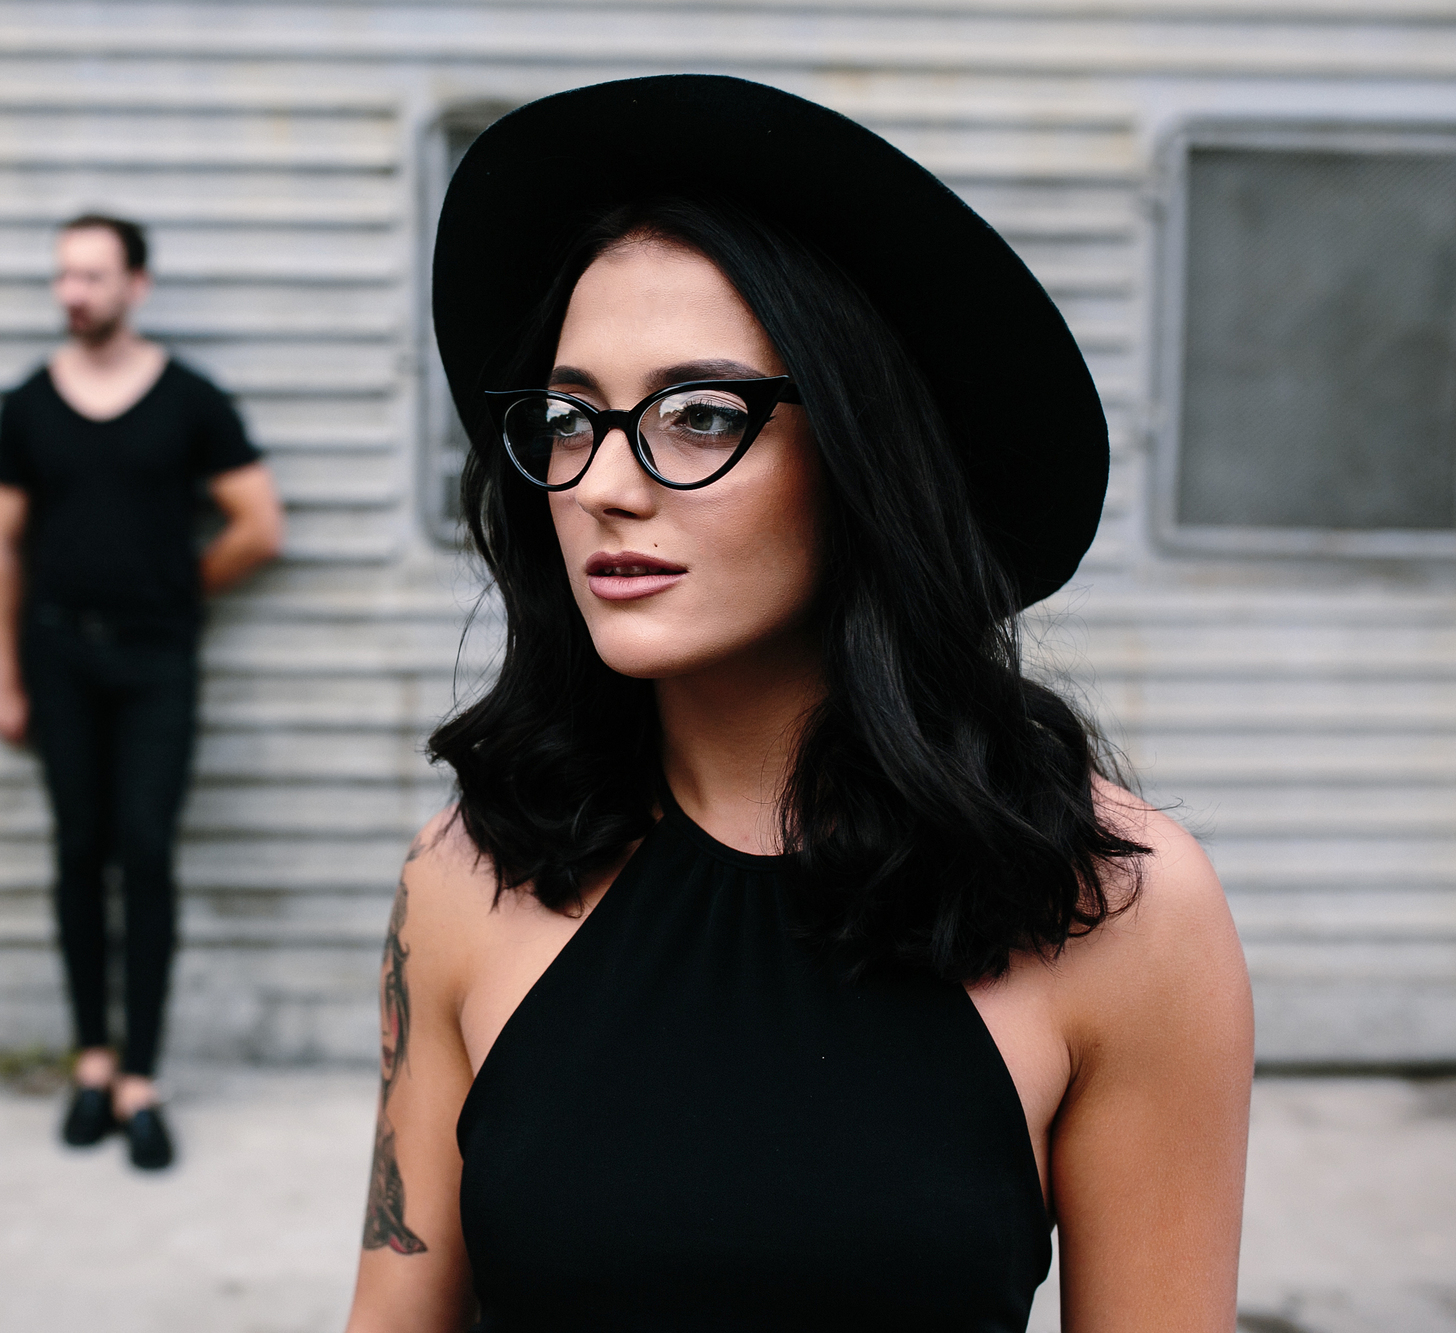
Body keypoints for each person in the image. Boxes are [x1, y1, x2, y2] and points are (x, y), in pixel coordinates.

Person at [345, 76, 1253, 1331]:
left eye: (700, 413)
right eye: (566, 419)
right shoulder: (467, 875)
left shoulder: (1113, 905)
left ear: (861, 456)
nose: (603, 480)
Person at [0, 213, 283, 1170]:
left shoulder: (189, 400)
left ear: (136, 286)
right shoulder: (27, 405)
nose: (74, 292)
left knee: (144, 852)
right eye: (64, 275)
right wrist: (6, 674)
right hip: (61, 656)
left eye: (94, 276)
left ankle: (143, 1080)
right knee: (79, 852)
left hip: (158, 660)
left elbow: (258, 524)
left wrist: (174, 586)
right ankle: (92, 1067)